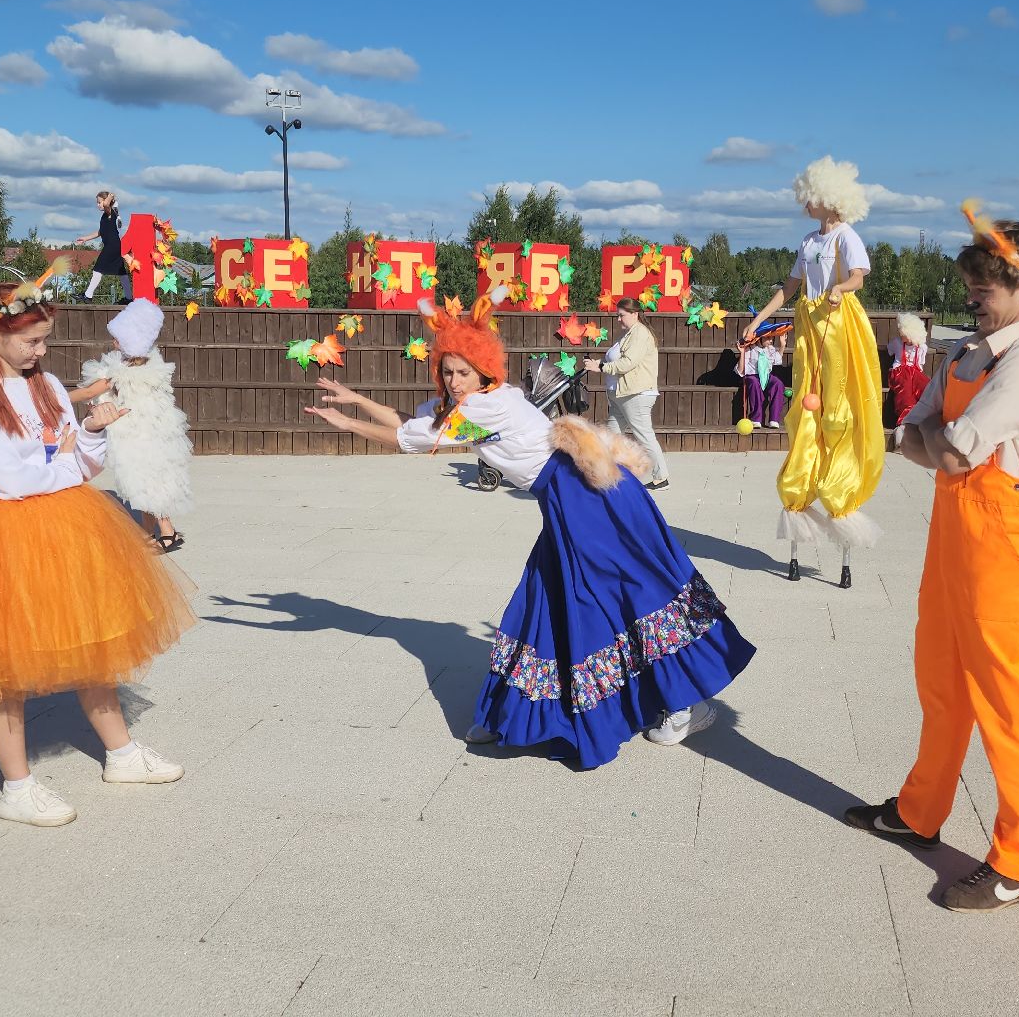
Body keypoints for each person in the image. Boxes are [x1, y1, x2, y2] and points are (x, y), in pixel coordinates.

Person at [304, 290, 755, 767]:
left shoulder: (482, 410)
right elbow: (415, 424)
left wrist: (347, 422)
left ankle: (687, 703)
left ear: (483, 370)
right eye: (447, 372)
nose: (454, 381)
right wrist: (357, 400)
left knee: (627, 590)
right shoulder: (482, 401)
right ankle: (516, 709)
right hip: (572, 495)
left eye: (463, 372)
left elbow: (407, 439)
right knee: (547, 594)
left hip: (587, 497)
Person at [845, 209, 1019, 912]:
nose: (972, 298)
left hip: (1008, 549)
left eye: (984, 289)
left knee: (1009, 702)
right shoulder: (971, 350)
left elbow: (947, 450)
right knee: (940, 681)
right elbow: (918, 432)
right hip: (955, 538)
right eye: (970, 286)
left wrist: (937, 440)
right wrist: (937, 440)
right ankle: (919, 812)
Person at [0, 275, 196, 827]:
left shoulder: (44, 385)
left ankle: (121, 753)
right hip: (0, 532)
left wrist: (90, 430)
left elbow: (82, 463)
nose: (41, 351)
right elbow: (10, 478)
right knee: (7, 658)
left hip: (66, 522)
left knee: (90, 635)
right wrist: (62, 463)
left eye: (44, 340)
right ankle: (17, 787)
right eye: (31, 341)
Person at [739, 156, 886, 553]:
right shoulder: (808, 241)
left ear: (830, 198)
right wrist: (758, 322)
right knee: (806, 408)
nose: (805, 202)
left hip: (836, 324)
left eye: (810, 196)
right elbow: (789, 288)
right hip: (808, 327)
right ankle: (802, 485)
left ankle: (841, 489)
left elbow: (858, 276)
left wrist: (841, 289)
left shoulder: (846, 236)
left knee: (838, 409)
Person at [69, 295, 194, 552]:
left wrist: (56, 396)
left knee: (147, 480)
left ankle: (168, 531)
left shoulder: (118, 373)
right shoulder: (153, 367)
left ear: (131, 341)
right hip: (150, 431)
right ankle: (148, 531)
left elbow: (90, 391)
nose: (113, 342)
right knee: (139, 482)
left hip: (139, 435)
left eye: (118, 338)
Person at [584, 298, 669, 490]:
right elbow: (616, 359)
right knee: (611, 436)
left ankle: (661, 477)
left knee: (644, 436)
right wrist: (599, 363)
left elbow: (628, 363)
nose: (618, 319)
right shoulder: (628, 334)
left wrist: (601, 367)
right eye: (617, 315)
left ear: (634, 314)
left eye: (621, 315)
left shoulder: (640, 334)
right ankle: (605, 476)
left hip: (635, 394)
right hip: (621, 395)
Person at [76, 191, 128, 304]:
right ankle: (129, 298)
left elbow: (106, 205)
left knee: (98, 269)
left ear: (106, 201)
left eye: (99, 202)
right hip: (115, 246)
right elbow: (100, 232)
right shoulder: (105, 215)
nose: (98, 205)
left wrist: (110, 196)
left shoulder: (110, 212)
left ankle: (88, 295)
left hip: (112, 246)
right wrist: (85, 238)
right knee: (121, 271)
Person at [887, 312, 931, 444]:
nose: (902, 336)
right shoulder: (897, 343)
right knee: (905, 391)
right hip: (899, 372)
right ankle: (904, 422)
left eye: (904, 334)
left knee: (926, 386)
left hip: (914, 372)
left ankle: (926, 419)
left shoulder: (921, 347)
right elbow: (890, 350)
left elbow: (920, 365)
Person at [737, 327, 789, 429]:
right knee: (754, 383)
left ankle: (774, 419)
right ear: (759, 338)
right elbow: (741, 370)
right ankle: (756, 419)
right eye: (768, 338)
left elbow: (777, 360)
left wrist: (782, 345)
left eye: (771, 338)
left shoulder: (770, 349)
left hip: (766, 375)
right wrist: (742, 353)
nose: (771, 341)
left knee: (778, 383)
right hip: (752, 375)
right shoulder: (749, 349)